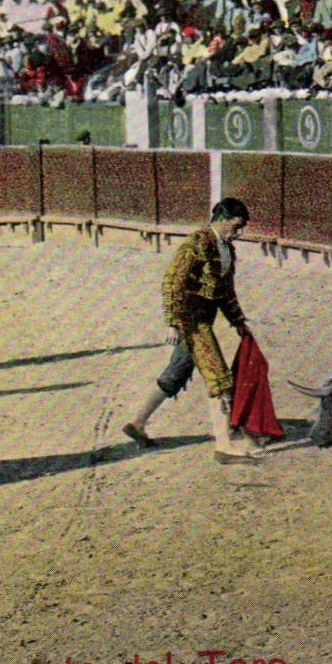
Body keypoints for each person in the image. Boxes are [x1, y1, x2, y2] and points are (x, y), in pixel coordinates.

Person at [124, 198, 262, 464]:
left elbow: (225, 292)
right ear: (221, 220)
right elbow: (172, 281)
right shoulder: (197, 243)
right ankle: (224, 445)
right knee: (220, 378)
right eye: (236, 226)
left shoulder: (227, 251)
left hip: (203, 320)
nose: (239, 233)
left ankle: (137, 423)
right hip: (192, 322)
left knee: (176, 373)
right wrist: (174, 322)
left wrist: (238, 321)